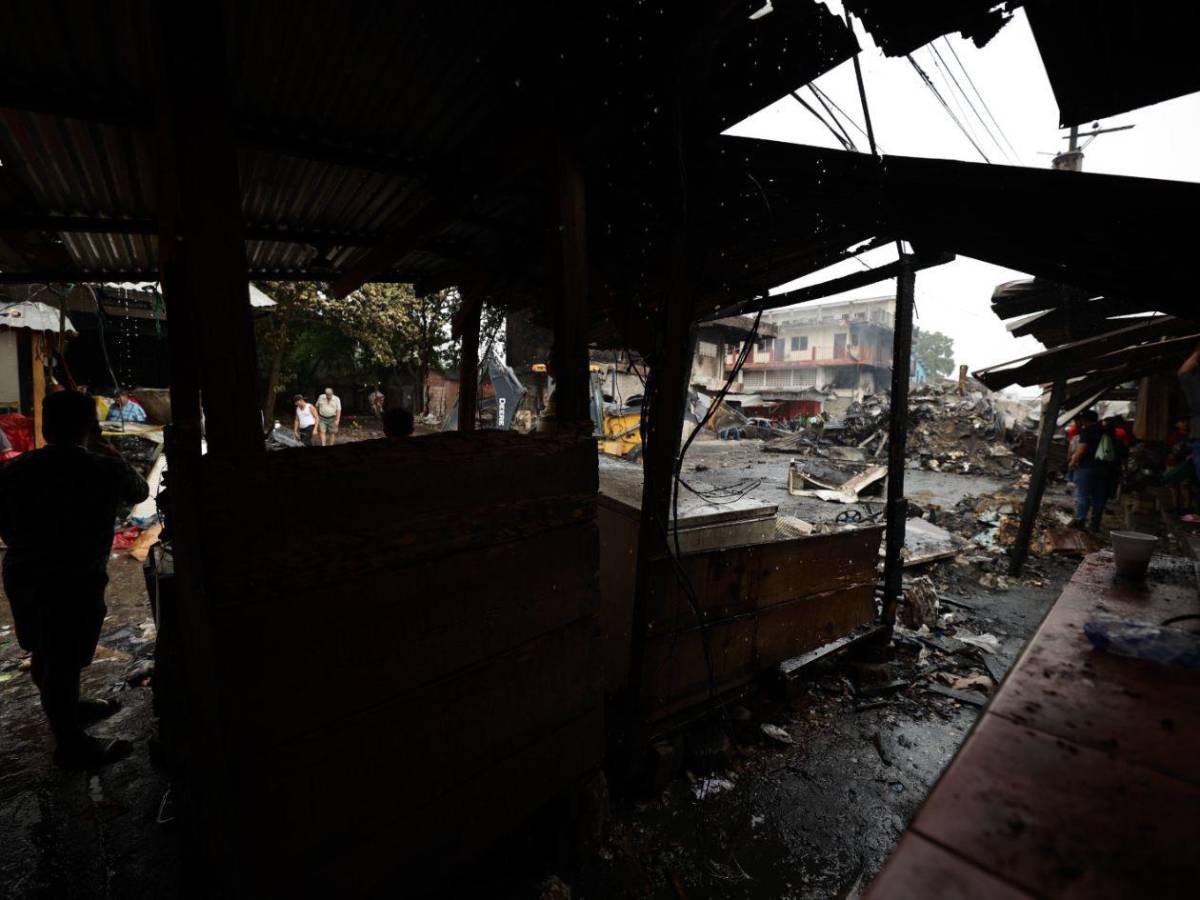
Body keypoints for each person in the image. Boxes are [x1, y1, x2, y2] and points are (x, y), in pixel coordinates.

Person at [0, 391, 149, 767]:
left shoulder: (16, 470)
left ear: (47, 428)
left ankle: (66, 714)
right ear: (92, 427)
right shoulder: (102, 468)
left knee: (46, 653)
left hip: (24, 576)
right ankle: (70, 744)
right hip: (75, 581)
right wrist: (107, 449)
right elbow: (140, 491)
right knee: (64, 659)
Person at [1068, 409, 1116, 531]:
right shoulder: (1107, 430)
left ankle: (1080, 520)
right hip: (1105, 468)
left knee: (1083, 495)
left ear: (1085, 420)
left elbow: (1081, 450)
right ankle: (1095, 523)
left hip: (1087, 467)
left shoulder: (1087, 430)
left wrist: (1072, 463)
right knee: (1099, 497)